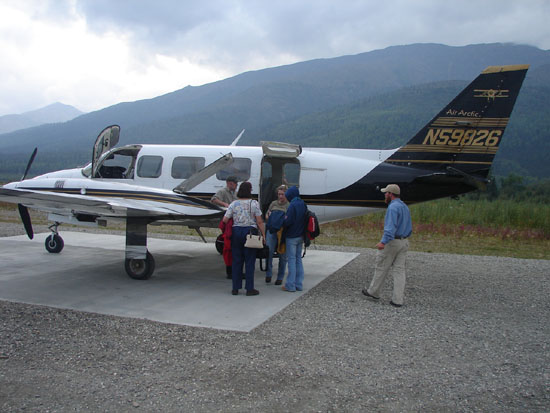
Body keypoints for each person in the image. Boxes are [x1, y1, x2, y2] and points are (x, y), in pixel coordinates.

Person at [362, 184, 412, 307]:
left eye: (386, 193)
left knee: (381, 266)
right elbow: (409, 226)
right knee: (399, 271)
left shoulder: (393, 207)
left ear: (390, 194)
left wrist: (383, 242)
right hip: (404, 241)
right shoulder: (404, 206)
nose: (385, 195)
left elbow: (390, 228)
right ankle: (397, 300)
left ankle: (374, 292)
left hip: (392, 242)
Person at [222, 181, 266, 296]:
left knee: (237, 261)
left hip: (236, 232)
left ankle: (235, 288)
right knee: (249, 261)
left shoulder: (234, 204)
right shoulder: (254, 204)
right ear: (250, 191)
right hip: (250, 233)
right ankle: (249, 288)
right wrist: (264, 235)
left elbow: (225, 220)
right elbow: (259, 221)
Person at [281, 186, 306, 292]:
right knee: (298, 260)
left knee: (291, 260)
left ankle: (290, 285)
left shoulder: (292, 206)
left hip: (291, 236)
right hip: (301, 236)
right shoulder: (303, 204)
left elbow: (288, 221)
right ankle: (299, 284)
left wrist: (282, 219)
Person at [265, 185, 289, 285]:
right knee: (268, 252)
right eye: (279, 194)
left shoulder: (289, 205)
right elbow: (266, 215)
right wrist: (269, 216)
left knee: (282, 255)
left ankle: (280, 276)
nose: (280, 196)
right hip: (271, 231)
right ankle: (268, 274)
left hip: (282, 232)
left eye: (282, 194)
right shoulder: (273, 204)